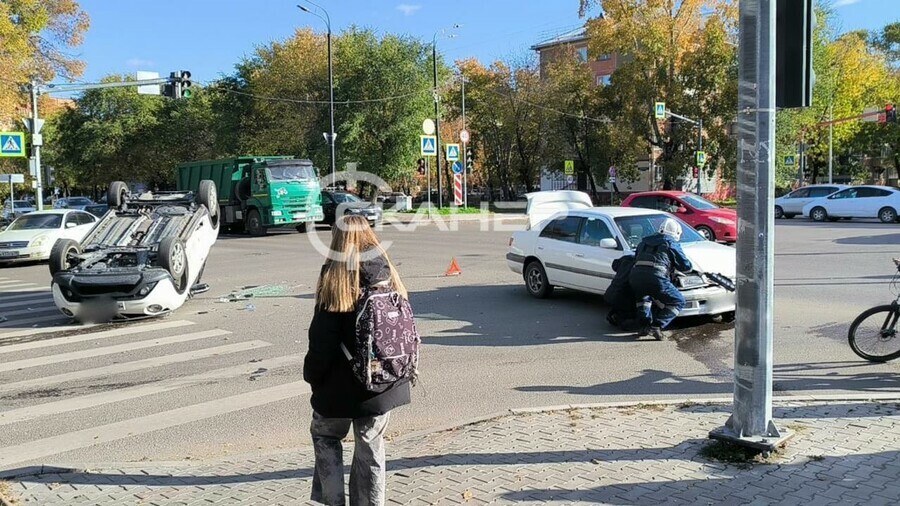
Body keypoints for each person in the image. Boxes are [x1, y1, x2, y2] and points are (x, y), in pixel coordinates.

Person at [304, 215, 412, 506]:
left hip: (337, 390)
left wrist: (312, 376)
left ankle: (332, 501)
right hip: (382, 385)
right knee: (370, 447)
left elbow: (322, 343)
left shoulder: (335, 278)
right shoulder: (388, 275)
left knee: (326, 437)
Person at [628, 218, 693, 340]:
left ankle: (643, 327)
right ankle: (657, 326)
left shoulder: (643, 242)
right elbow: (685, 266)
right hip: (657, 277)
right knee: (678, 301)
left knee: (643, 299)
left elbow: (636, 258)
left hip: (635, 276)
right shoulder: (671, 243)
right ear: (677, 233)